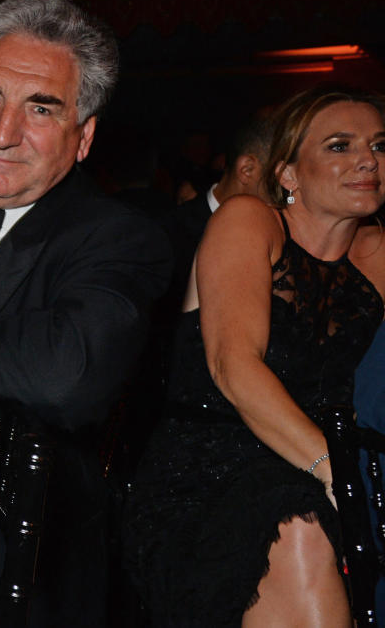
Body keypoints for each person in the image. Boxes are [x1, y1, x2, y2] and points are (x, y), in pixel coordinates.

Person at [0, 0, 172, 625]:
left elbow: (67, 374)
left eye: (41, 108)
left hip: (5, 571)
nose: (3, 133)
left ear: (84, 136)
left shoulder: (115, 237)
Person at [123, 85, 385, 626]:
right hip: (209, 475)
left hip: (328, 471)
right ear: (288, 173)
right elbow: (233, 368)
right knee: (299, 525)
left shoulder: (378, 252)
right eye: (340, 146)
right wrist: (339, 476)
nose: (368, 159)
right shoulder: (250, 220)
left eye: (379, 146)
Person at [161, 115, 274, 309]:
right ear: (247, 170)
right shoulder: (172, 232)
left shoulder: (283, 225)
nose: (289, 182)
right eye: (280, 171)